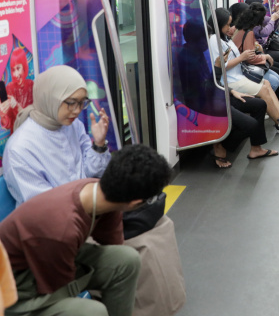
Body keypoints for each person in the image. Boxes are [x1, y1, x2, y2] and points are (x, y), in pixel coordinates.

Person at [0, 144, 171, 316]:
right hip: (14, 284)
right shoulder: (63, 228)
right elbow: (59, 285)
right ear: (135, 202)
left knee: (128, 260)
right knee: (93, 312)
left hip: (47, 258)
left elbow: (113, 243)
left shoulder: (101, 193)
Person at [3, 65, 111, 205]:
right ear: (50, 98)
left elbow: (91, 174)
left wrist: (99, 144)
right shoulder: (19, 149)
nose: (77, 110)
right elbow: (45, 206)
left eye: (82, 102)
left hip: (86, 207)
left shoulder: (73, 125)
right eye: (71, 103)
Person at [207, 7, 279, 136]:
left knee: (267, 83)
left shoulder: (224, 38)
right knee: (264, 89)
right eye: (227, 25)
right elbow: (220, 66)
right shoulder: (215, 41)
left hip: (237, 76)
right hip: (231, 80)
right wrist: (242, 58)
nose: (229, 28)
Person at [0, 48, 34, 133]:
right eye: (13, 70)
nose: (16, 74)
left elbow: (34, 117)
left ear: (24, 67)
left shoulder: (31, 86)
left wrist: (17, 106)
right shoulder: (9, 88)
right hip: (16, 135)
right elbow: (8, 125)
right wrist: (3, 115)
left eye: (18, 68)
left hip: (32, 133)